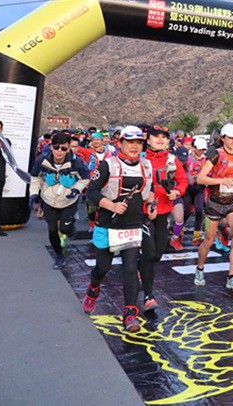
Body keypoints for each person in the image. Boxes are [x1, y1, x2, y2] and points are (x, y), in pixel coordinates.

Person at [82, 125, 156, 332]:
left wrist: (151, 205)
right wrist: (112, 206)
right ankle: (93, 288)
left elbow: (150, 190)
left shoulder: (146, 165)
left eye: (138, 142)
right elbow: (92, 192)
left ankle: (130, 314)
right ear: (120, 143)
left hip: (132, 225)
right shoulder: (108, 164)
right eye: (130, 142)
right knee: (102, 268)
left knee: (130, 269)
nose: (134, 146)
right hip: (108, 224)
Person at [193, 124, 233, 290]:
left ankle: (232, 276)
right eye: (230, 138)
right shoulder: (216, 155)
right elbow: (200, 178)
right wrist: (221, 181)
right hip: (215, 203)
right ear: (223, 138)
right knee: (209, 240)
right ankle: (200, 268)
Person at [141, 125, 188, 309]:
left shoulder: (172, 159)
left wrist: (176, 192)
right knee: (149, 252)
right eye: (156, 136)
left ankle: (139, 267)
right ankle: (148, 296)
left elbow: (183, 180)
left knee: (157, 255)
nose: (160, 140)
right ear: (148, 140)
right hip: (142, 212)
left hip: (164, 211)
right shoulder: (140, 158)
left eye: (164, 137)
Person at [29, 131, 91, 269]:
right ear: (51, 146)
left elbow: (85, 178)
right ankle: (59, 255)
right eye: (56, 147)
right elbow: (35, 177)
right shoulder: (42, 160)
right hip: (49, 200)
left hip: (68, 200)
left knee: (64, 228)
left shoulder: (76, 162)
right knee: (52, 229)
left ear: (68, 148)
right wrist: (33, 194)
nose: (59, 151)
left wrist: (76, 190)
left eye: (63, 148)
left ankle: (70, 225)